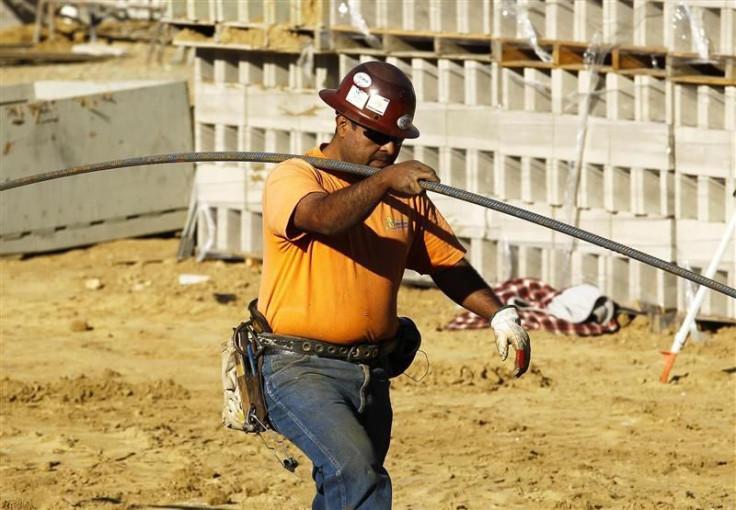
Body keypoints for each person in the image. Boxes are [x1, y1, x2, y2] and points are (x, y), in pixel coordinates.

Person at [255, 61, 531, 509]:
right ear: (342, 123)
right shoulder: (296, 176)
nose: (388, 149)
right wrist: (384, 183)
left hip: (370, 372)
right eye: (376, 136)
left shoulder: (404, 198)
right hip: (297, 368)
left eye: (397, 141)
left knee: (346, 485)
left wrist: (499, 314)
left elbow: (448, 265)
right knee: (354, 471)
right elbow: (324, 219)